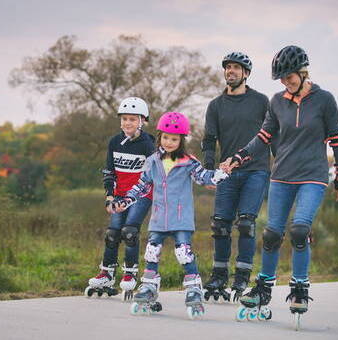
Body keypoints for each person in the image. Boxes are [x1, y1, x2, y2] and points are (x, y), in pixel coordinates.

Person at [230, 46, 338, 322]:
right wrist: (241, 155)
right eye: (281, 79)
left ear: (303, 72)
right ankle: (263, 288)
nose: (286, 82)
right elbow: (263, 136)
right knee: (271, 235)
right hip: (281, 175)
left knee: (299, 230)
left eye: (289, 77)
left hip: (313, 176)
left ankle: (299, 287)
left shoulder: (324, 100)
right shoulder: (277, 101)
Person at [113, 112, 230, 319]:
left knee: (183, 253)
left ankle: (194, 287)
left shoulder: (189, 162)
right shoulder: (153, 161)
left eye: (174, 139)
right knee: (152, 250)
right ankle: (149, 286)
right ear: (159, 137)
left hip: (180, 217)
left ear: (181, 141)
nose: (169, 142)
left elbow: (204, 178)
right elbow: (141, 186)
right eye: (165, 137)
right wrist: (124, 200)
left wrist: (220, 174)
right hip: (158, 217)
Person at [201, 52, 270, 302]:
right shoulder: (216, 105)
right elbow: (208, 140)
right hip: (227, 173)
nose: (230, 71)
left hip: (256, 170)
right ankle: (219, 276)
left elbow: (272, 136)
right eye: (227, 68)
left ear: (246, 74)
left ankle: (241, 277)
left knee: (246, 224)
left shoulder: (262, 102)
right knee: (220, 224)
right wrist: (209, 171)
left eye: (236, 68)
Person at [85, 97, 155, 300]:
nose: (127, 123)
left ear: (142, 121)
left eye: (132, 119)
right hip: (119, 195)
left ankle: (130, 274)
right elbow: (109, 172)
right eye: (124, 119)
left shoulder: (148, 144)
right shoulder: (115, 142)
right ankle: (106, 274)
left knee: (130, 231)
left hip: (141, 195)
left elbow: (152, 174)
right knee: (113, 233)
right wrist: (110, 196)